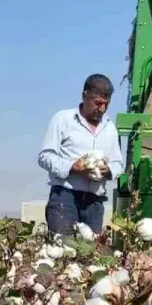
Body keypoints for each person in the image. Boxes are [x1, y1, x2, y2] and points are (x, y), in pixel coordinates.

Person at [36, 74, 125, 236]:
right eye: (98, 103)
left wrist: (108, 171)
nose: (102, 109)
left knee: (90, 254)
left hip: (94, 203)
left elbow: (118, 163)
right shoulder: (63, 120)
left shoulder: (110, 127)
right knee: (63, 249)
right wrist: (73, 167)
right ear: (85, 95)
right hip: (65, 197)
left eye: (106, 104)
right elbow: (45, 156)